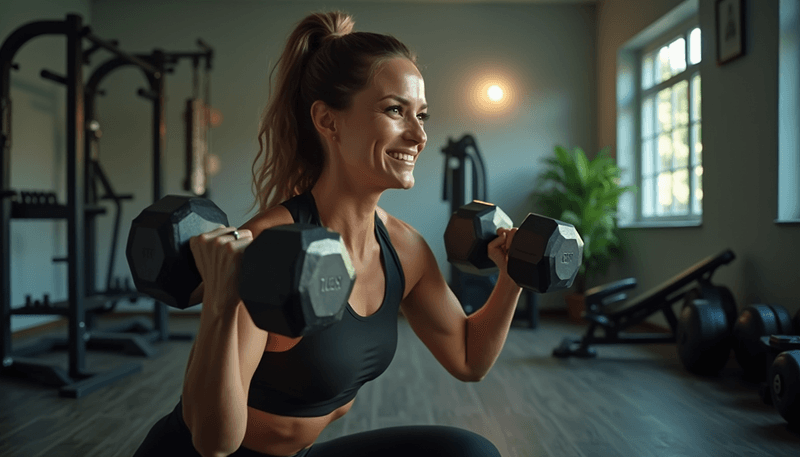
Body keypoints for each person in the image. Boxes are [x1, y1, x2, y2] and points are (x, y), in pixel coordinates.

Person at [134, 10, 521, 457]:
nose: (418, 134)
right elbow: (214, 442)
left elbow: (469, 360)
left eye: (422, 115)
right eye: (395, 110)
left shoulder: (405, 249)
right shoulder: (270, 248)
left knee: (468, 453)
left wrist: (510, 278)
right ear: (328, 120)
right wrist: (222, 303)